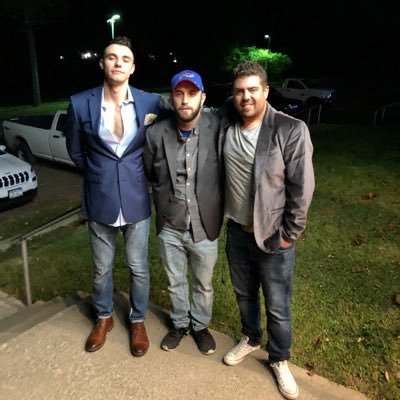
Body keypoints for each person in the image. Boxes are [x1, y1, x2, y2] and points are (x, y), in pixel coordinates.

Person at [220, 61, 314, 400]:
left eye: (252, 90)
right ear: (232, 94)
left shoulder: (289, 129)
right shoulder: (225, 120)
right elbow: (188, 106)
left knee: (277, 304)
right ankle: (250, 337)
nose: (245, 97)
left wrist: (289, 234)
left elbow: (302, 188)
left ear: (266, 91)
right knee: (244, 294)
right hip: (236, 231)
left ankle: (279, 358)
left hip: (274, 236)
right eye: (239, 91)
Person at [65, 36, 164, 357]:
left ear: (133, 67)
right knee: (101, 269)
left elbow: (181, 115)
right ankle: (104, 317)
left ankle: (137, 321)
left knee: (139, 268)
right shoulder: (80, 103)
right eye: (111, 57)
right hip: (100, 197)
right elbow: (75, 150)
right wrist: (99, 173)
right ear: (102, 63)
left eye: (125, 59)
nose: (118, 62)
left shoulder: (150, 102)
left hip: (137, 198)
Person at [143, 70, 223, 355]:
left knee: (203, 283)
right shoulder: (155, 134)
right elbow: (151, 173)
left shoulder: (217, 128)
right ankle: (180, 324)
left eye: (192, 93)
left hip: (205, 224)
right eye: (179, 94)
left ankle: (200, 326)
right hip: (170, 225)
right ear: (172, 98)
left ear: (203, 97)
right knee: (175, 281)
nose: (185, 100)